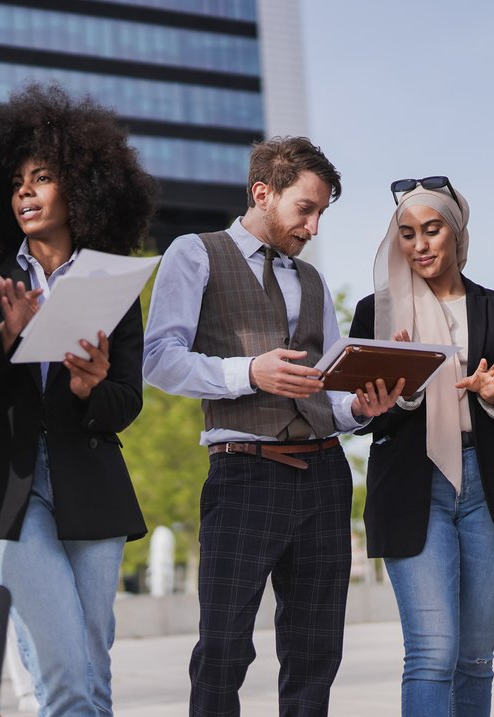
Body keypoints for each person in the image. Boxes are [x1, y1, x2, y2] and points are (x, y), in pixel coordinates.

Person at [143, 136, 402, 716]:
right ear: (263, 193)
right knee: (225, 648)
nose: (313, 227)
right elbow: (158, 357)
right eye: (304, 209)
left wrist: (360, 409)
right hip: (244, 475)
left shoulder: (310, 282)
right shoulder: (195, 253)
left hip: (326, 476)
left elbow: (330, 388)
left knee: (316, 654)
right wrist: (249, 372)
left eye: (321, 213)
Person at [0, 83, 154, 717]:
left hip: (89, 482)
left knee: (93, 668)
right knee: (63, 672)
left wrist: (92, 387)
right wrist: (7, 335)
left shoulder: (113, 282)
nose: (26, 192)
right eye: (16, 182)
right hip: (7, 486)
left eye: (43, 178)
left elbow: (127, 403)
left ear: (82, 188)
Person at [348, 178, 494, 716]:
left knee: (475, 659)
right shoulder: (377, 313)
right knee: (433, 654)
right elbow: (365, 420)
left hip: (488, 486)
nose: (420, 245)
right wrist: (398, 396)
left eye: (432, 230)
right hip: (413, 487)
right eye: (407, 234)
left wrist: (493, 397)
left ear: (456, 234)